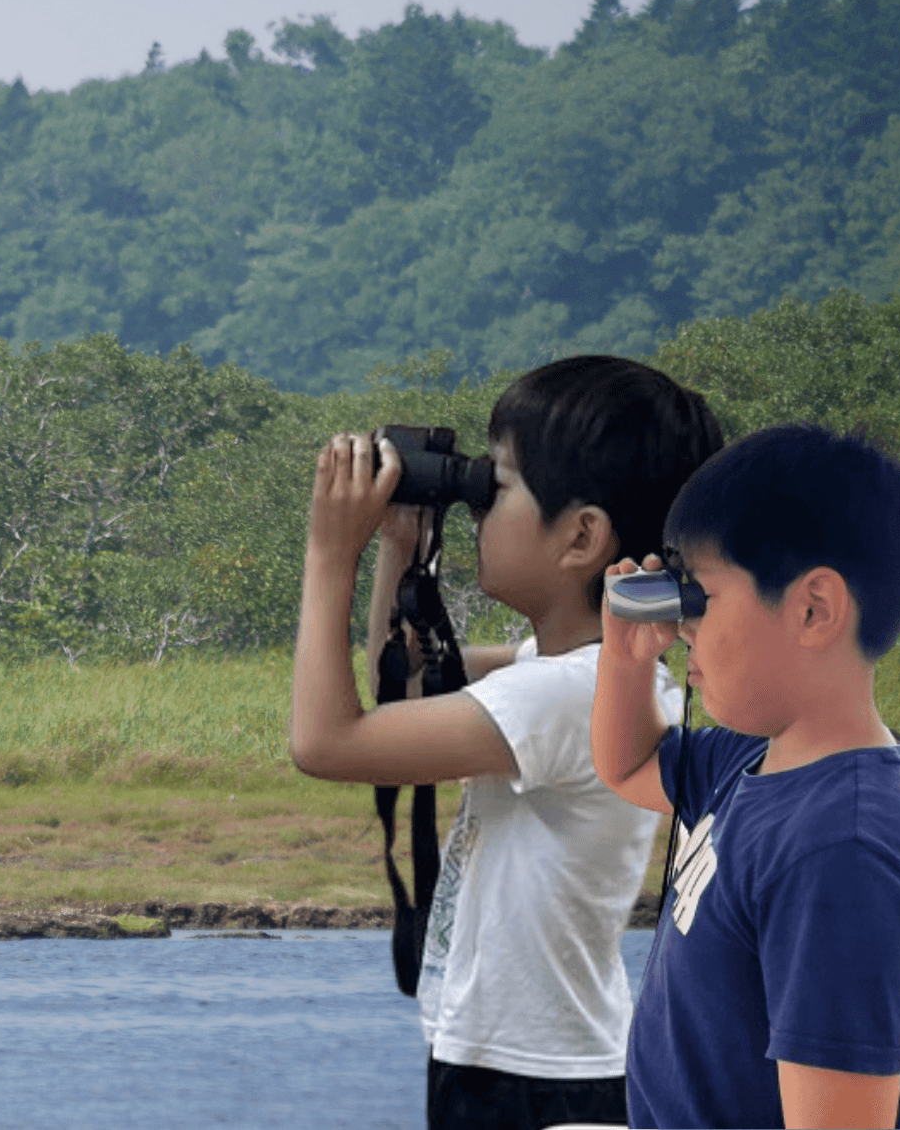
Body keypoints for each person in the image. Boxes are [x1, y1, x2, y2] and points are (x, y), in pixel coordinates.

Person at [291, 355, 724, 1130]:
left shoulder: (565, 695)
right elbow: (409, 685)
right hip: (530, 1062)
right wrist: (400, 544)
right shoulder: (573, 674)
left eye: (498, 486)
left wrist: (331, 555)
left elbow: (327, 742)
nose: (478, 507)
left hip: (534, 1080)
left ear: (582, 537)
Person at [591, 423, 900, 1129]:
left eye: (703, 600)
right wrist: (625, 656)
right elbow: (629, 765)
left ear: (813, 609)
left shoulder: (842, 855)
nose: (683, 624)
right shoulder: (751, 762)